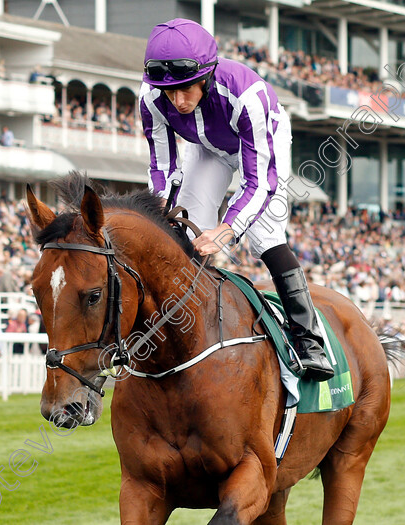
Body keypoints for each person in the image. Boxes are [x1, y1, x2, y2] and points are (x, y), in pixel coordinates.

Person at [139, 19, 333, 381]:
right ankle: (193, 331)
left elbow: (260, 183)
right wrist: (162, 210)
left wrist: (227, 229)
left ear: (207, 75)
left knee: (265, 235)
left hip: (261, 145)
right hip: (208, 148)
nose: (178, 101)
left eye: (186, 89)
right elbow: (161, 167)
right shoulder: (151, 97)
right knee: (189, 228)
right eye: (170, 93)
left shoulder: (248, 97)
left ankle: (310, 341)